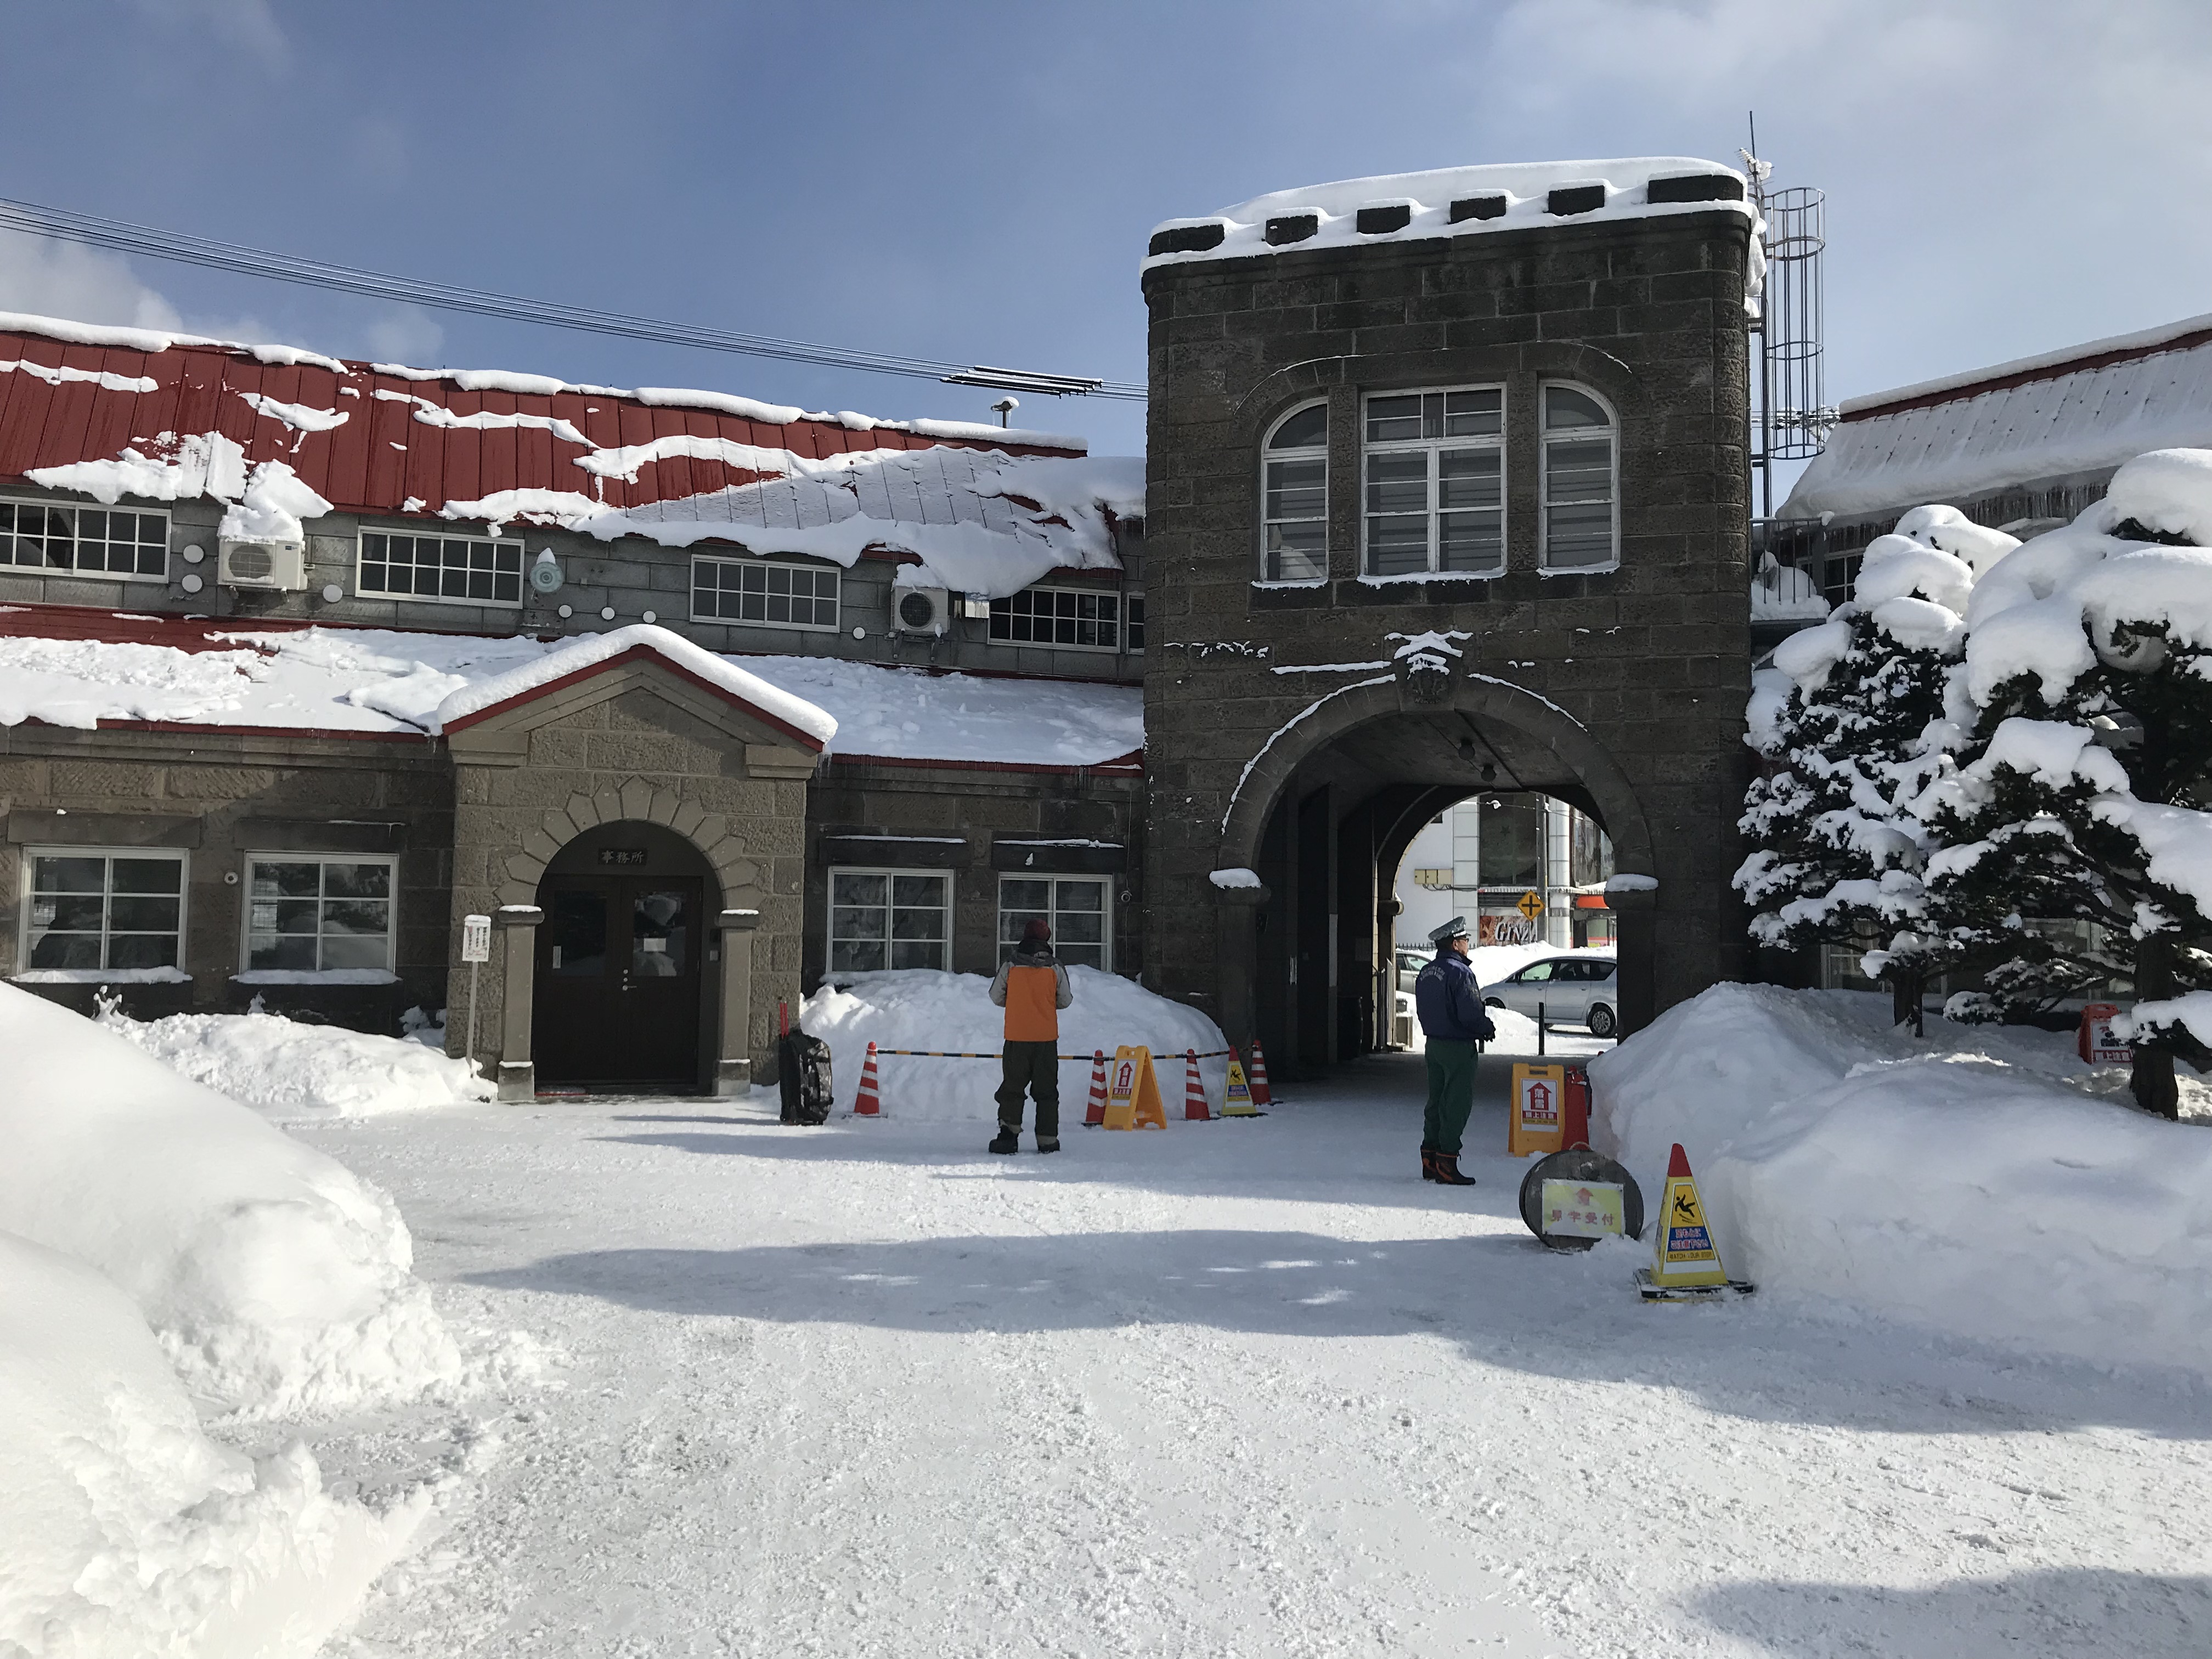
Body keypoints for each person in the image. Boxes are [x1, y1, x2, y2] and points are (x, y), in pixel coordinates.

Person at [1413, 916, 1495, 1184]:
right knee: (1456, 1102)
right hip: (1458, 1046)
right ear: (1455, 944)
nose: (1467, 944)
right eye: (1465, 940)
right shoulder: (1460, 972)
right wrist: (1486, 1027)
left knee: (1435, 1101)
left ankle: (1429, 1159)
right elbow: (1470, 1011)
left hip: (1433, 1044)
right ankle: (1447, 1162)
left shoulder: (1426, 972)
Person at [989, 917, 1072, 1154]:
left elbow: (995, 996)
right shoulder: (1055, 967)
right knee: (1047, 1090)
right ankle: (1047, 1140)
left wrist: (1017, 1002)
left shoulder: (1011, 965)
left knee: (1013, 1088)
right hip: (1046, 1039)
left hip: (1016, 1037)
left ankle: (1008, 1137)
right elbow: (1065, 1001)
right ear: (1047, 938)